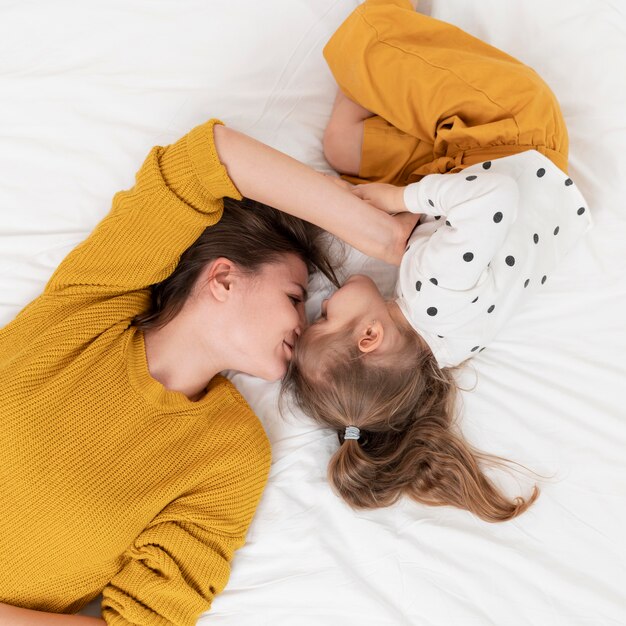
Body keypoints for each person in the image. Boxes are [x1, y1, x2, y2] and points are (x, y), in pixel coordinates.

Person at [0, 113, 418, 624]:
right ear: (223, 278)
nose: (303, 325)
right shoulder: (90, 308)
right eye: (294, 296)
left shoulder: (231, 454)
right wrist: (379, 234)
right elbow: (205, 159)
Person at [280, 0, 592, 522]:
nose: (325, 299)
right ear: (369, 337)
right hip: (510, 132)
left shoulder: (444, 347)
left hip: (481, 166)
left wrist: (413, 229)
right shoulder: (431, 291)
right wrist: (403, 203)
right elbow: (493, 200)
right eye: (326, 316)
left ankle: (393, 85)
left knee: (342, 146)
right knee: (367, 38)